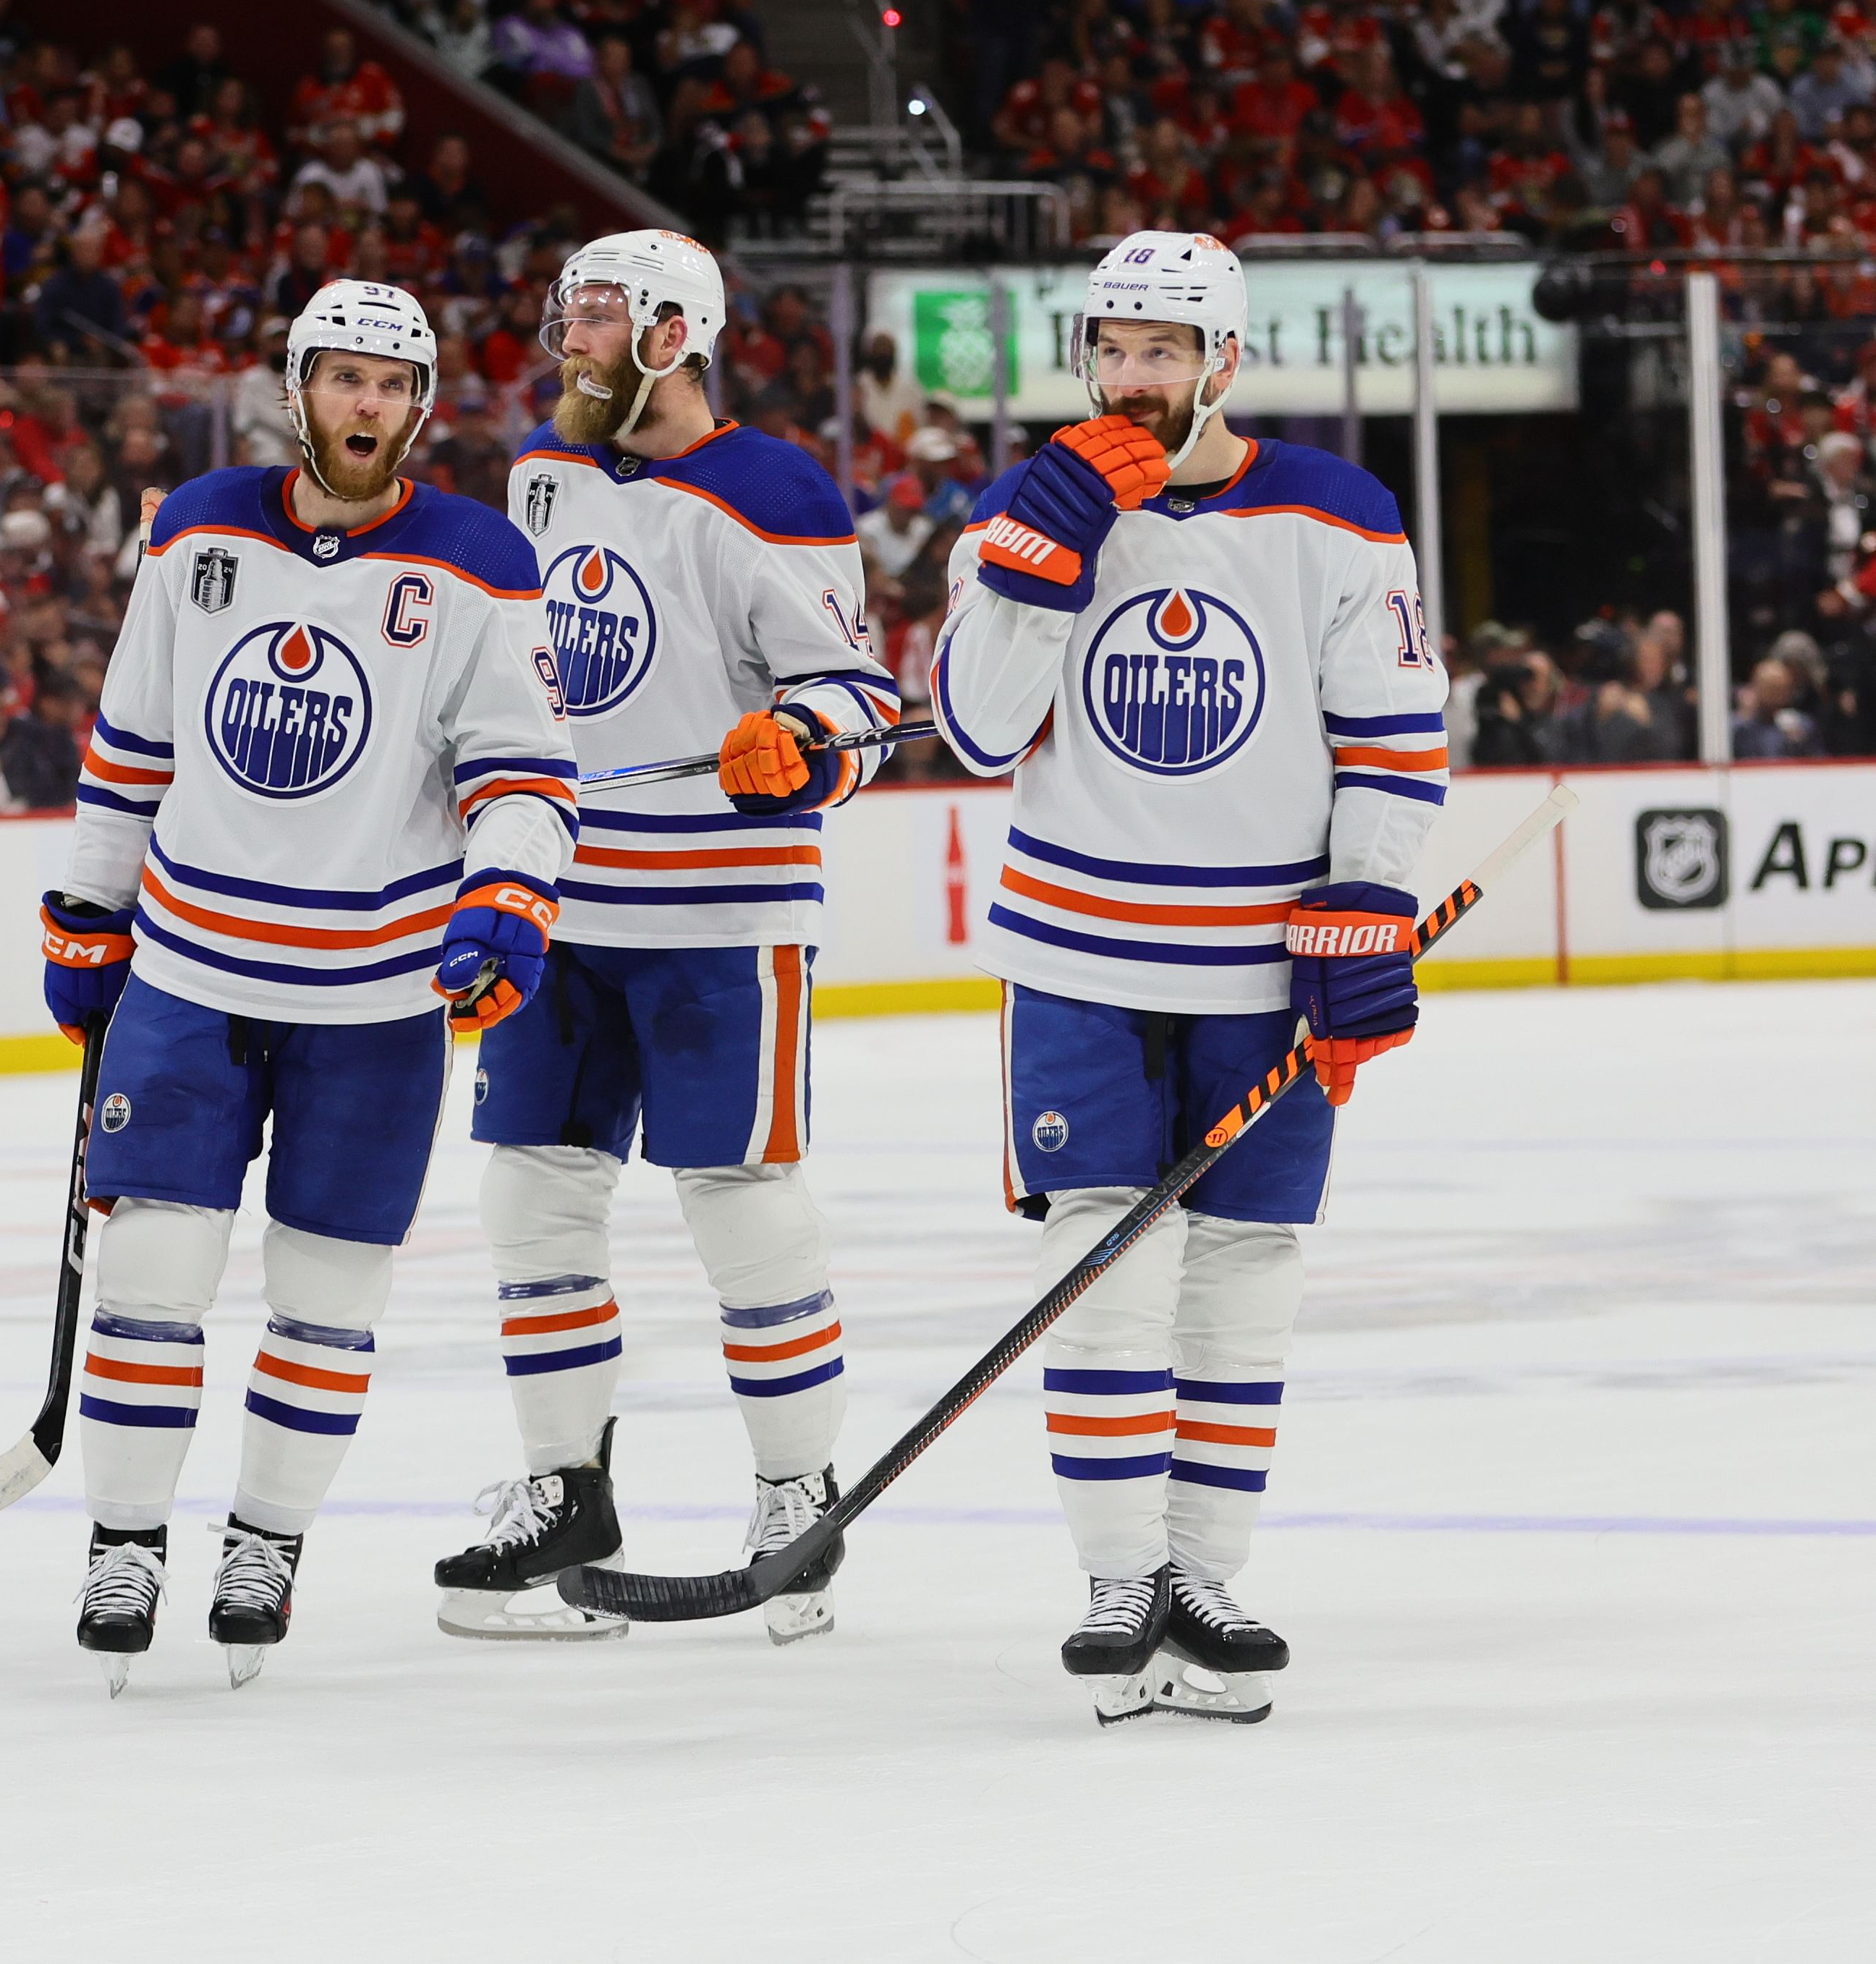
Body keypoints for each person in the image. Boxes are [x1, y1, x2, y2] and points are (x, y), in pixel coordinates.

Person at [931, 233, 1443, 1726]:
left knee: (1240, 1275)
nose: (1135, 376)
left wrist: (1368, 903)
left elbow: (1394, 736)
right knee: (1102, 1262)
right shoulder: (1022, 511)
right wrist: (1042, 560)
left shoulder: (1336, 515)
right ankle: (1115, 1579)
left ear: (1224, 359)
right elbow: (972, 729)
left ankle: (1204, 1573)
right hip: (1078, 955)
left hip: (1263, 961)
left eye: (1165, 349)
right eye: (1114, 347)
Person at [39, 279, 574, 1692]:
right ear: (297, 387)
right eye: (341, 379)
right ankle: (126, 1540)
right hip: (192, 967)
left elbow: (522, 770)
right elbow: (132, 738)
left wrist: (507, 892)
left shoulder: (476, 560)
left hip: (374, 992)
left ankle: (265, 1538)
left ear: (420, 402)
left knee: (329, 1293)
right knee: (152, 1270)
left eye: (390, 385)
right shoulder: (200, 525)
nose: (365, 407)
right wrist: (89, 909)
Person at [431, 231, 899, 1645]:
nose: (569, 338)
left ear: (672, 332)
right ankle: (568, 1491)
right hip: (565, 900)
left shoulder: (772, 487)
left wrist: (804, 741)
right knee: (529, 1194)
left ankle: (791, 1492)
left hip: (721, 912)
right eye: (565, 310)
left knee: (738, 1198)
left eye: (597, 316)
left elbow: (859, 699)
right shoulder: (541, 471)